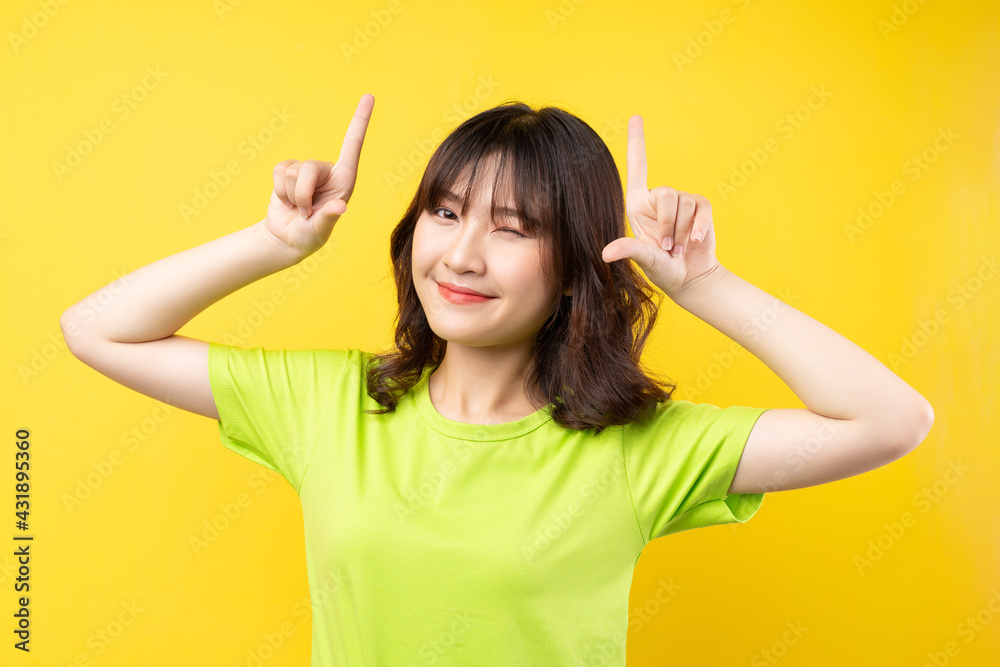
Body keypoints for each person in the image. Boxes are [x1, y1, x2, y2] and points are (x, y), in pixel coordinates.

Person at [60, 92, 934, 666]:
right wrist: (274, 243)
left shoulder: (639, 450)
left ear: (575, 267)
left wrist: (707, 285)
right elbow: (94, 329)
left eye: (512, 227)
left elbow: (889, 419)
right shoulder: (331, 405)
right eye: (446, 212)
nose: (462, 255)